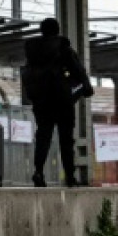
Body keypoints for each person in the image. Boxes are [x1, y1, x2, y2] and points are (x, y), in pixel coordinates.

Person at [23, 17, 89, 187]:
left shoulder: (33, 51)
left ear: (42, 30)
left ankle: (38, 172)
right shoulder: (63, 48)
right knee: (66, 139)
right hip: (63, 101)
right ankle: (70, 176)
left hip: (42, 102)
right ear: (57, 30)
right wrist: (87, 88)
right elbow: (78, 70)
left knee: (43, 137)